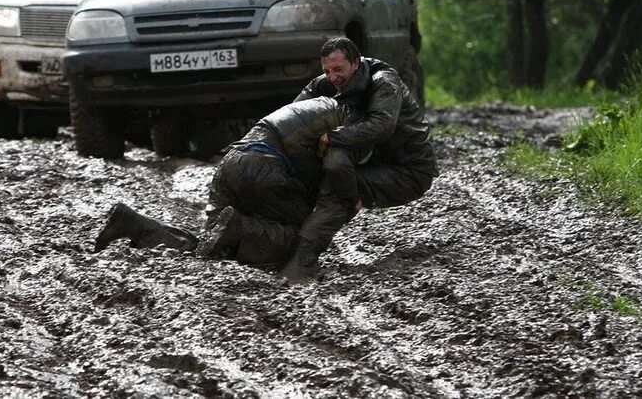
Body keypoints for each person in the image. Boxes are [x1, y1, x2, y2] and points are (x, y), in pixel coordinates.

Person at [93, 97, 365, 269]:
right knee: (298, 239)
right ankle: (239, 228)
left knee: (207, 249)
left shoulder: (312, 104)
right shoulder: (345, 123)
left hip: (229, 165)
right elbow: (325, 168)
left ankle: (136, 225)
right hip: (265, 168)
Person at [278, 37, 438, 281]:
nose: (333, 77)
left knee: (335, 190)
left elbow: (382, 126)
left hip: (409, 170)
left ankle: (299, 265)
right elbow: (292, 116)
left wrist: (332, 137)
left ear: (356, 63)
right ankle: (274, 245)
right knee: (315, 175)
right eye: (327, 71)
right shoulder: (325, 84)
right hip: (370, 159)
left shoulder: (384, 82)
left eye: (339, 69)